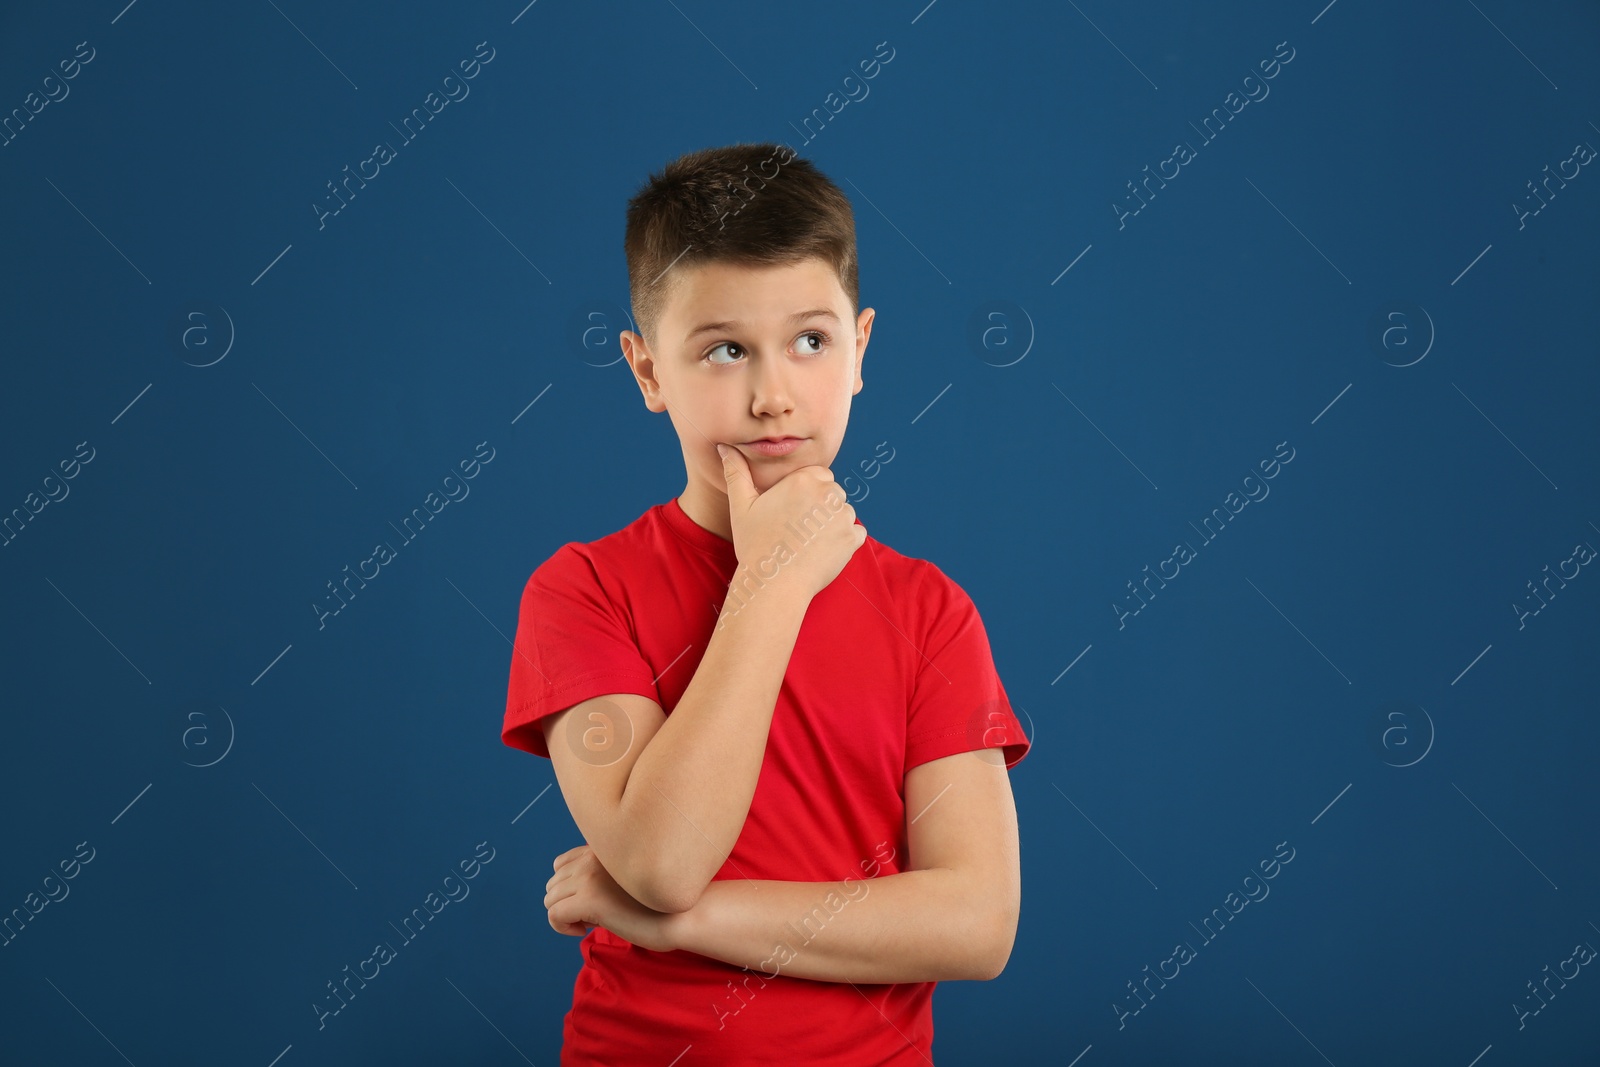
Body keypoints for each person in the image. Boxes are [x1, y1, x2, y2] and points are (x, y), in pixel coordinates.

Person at [501, 141, 1030, 1065]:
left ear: (860, 349)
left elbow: (977, 920)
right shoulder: (582, 589)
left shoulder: (930, 611)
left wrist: (684, 921)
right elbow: (663, 858)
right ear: (647, 372)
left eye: (810, 340)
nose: (773, 394)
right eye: (725, 350)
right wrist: (772, 582)